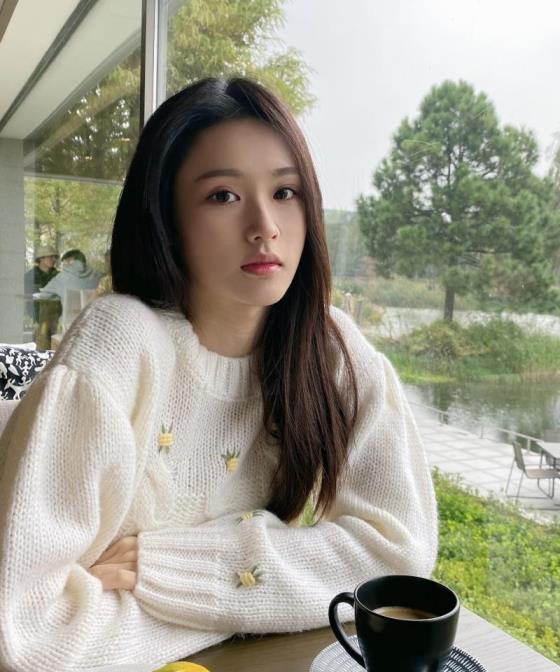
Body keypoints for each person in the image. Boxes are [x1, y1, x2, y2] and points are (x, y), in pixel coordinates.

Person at [0, 78, 438, 671]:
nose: (265, 225)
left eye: (285, 191)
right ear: (166, 217)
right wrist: (255, 604)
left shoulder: (330, 348)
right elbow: (25, 636)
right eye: (223, 196)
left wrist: (172, 571)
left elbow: (398, 558)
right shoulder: (120, 343)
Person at [23, 245, 61, 349]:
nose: (53, 260)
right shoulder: (30, 276)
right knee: (40, 346)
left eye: (55, 257)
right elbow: (28, 299)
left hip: (56, 317)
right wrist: (35, 320)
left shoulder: (59, 276)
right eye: (50, 257)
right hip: (37, 318)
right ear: (41, 258)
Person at [37, 248, 101, 299]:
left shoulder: (60, 278)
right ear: (40, 259)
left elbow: (43, 295)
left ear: (71, 260)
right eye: (51, 257)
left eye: (64, 261)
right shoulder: (97, 276)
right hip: (93, 311)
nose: (54, 260)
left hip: (69, 311)